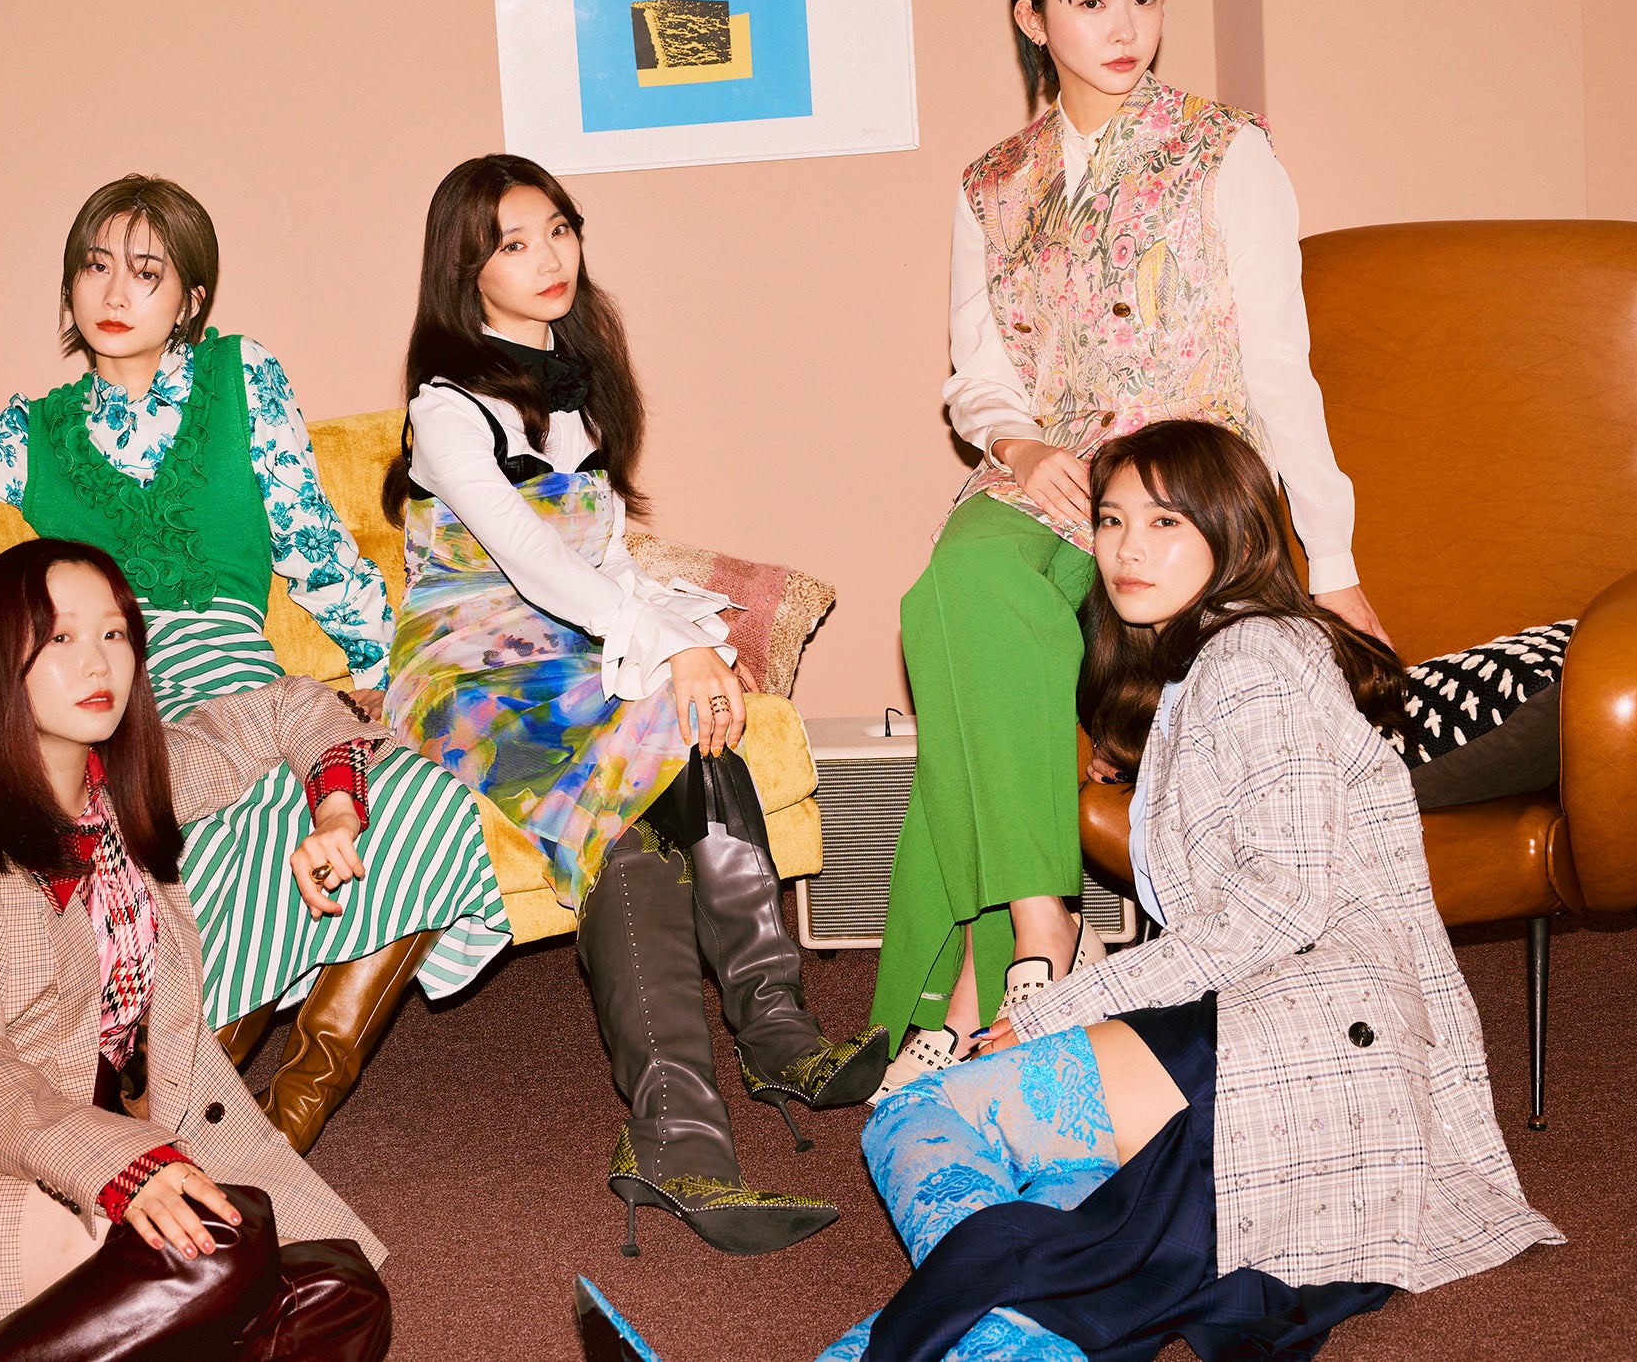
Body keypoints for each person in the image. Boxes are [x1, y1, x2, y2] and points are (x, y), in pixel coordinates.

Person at [577, 420, 1562, 1362]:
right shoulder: (1219, 661)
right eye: (1113, 518)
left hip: (1309, 1042)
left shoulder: (1257, 660)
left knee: (920, 1121)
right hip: (1264, 1024)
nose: (1127, 546)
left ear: (1233, 531)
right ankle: (1014, 1327)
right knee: (1060, 1208)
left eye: (1165, 520)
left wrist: (1067, 1000)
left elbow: (1278, 906)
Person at [0, 175, 507, 1152]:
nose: (115, 291)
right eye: (95, 265)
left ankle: (280, 1131)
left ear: (191, 298)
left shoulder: (243, 378)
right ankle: (180, 1127)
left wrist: (377, 664)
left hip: (253, 683)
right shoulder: (29, 434)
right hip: (133, 706)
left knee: (418, 795)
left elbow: (312, 539)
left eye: (147, 271)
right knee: (226, 837)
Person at [875, 0, 1386, 1095]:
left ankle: (975, 976)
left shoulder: (1226, 151)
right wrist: (1016, 449)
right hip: (1047, 478)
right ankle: (1043, 921)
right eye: (1092, 0)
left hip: (1179, 481)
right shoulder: (991, 183)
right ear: (1032, 18)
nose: (1124, 28)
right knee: (954, 587)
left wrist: (1335, 560)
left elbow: (1278, 364)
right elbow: (977, 372)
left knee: (967, 620)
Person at [381, 154, 888, 1256]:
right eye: (515, 243)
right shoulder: (444, 410)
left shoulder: (576, 379)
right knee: (635, 760)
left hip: (567, 642)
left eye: (559, 230)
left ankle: (769, 1036)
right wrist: (664, 650)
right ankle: (683, 1126)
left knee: (694, 732)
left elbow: (605, 554)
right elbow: (530, 560)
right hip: (472, 666)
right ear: (466, 271)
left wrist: (692, 643)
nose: (549, 257)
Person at [0, 540, 392, 1362]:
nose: (98, 662)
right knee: (220, 1251)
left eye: (114, 633)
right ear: (0, 663)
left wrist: (336, 813)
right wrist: (124, 1164)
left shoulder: (120, 782)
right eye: (60, 637)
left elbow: (291, 707)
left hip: (79, 1105)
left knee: (341, 1288)